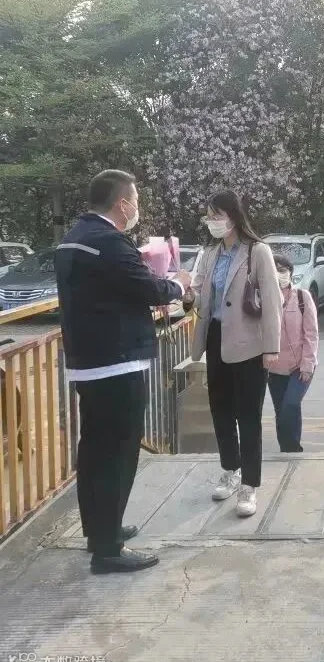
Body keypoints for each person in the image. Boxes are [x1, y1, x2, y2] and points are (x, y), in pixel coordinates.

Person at [55, 170, 192, 574]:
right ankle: (108, 550)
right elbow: (148, 290)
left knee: (95, 451)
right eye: (136, 200)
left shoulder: (73, 238)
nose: (137, 208)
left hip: (87, 361)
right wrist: (179, 283)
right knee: (117, 454)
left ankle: (100, 530)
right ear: (122, 204)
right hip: (117, 361)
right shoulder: (109, 242)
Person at [185, 191, 281, 518]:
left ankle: (249, 485)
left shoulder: (257, 251)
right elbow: (201, 296)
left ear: (233, 216)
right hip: (216, 339)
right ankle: (231, 469)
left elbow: (273, 301)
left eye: (217, 216)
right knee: (220, 410)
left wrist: (271, 347)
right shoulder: (210, 253)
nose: (212, 222)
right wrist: (187, 294)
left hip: (250, 344)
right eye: (209, 216)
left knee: (248, 416)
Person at [266, 254, 319, 453]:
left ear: (290, 273)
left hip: (300, 366)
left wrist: (307, 364)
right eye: (274, 270)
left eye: (282, 270)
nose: (279, 274)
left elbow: (311, 333)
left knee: (291, 404)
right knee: (281, 411)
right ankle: (286, 450)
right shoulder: (264, 299)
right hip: (274, 368)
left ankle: (294, 449)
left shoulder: (302, 297)